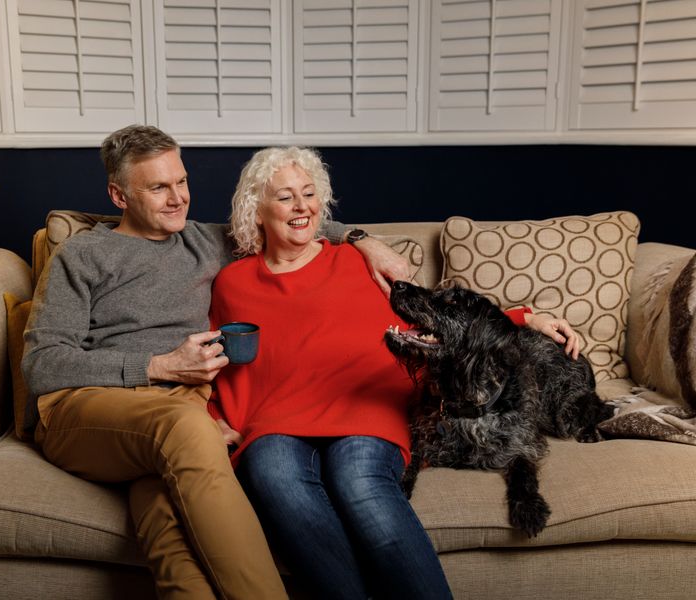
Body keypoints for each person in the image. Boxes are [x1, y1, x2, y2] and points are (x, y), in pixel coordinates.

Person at [21, 125, 407, 600]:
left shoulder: (203, 242)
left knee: (170, 532)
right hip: (88, 406)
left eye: (181, 182)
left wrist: (362, 237)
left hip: (178, 407)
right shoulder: (82, 254)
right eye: (158, 187)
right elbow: (43, 365)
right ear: (118, 195)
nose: (177, 198)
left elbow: (290, 218)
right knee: (187, 431)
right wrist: (158, 367)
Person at [208, 146, 581, 599]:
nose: (301, 207)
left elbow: (433, 318)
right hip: (276, 420)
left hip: (366, 404)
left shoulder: (355, 261)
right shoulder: (233, 282)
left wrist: (522, 320)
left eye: (309, 194)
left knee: (359, 481)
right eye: (285, 197)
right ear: (256, 209)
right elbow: (221, 361)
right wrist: (211, 420)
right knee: (272, 476)